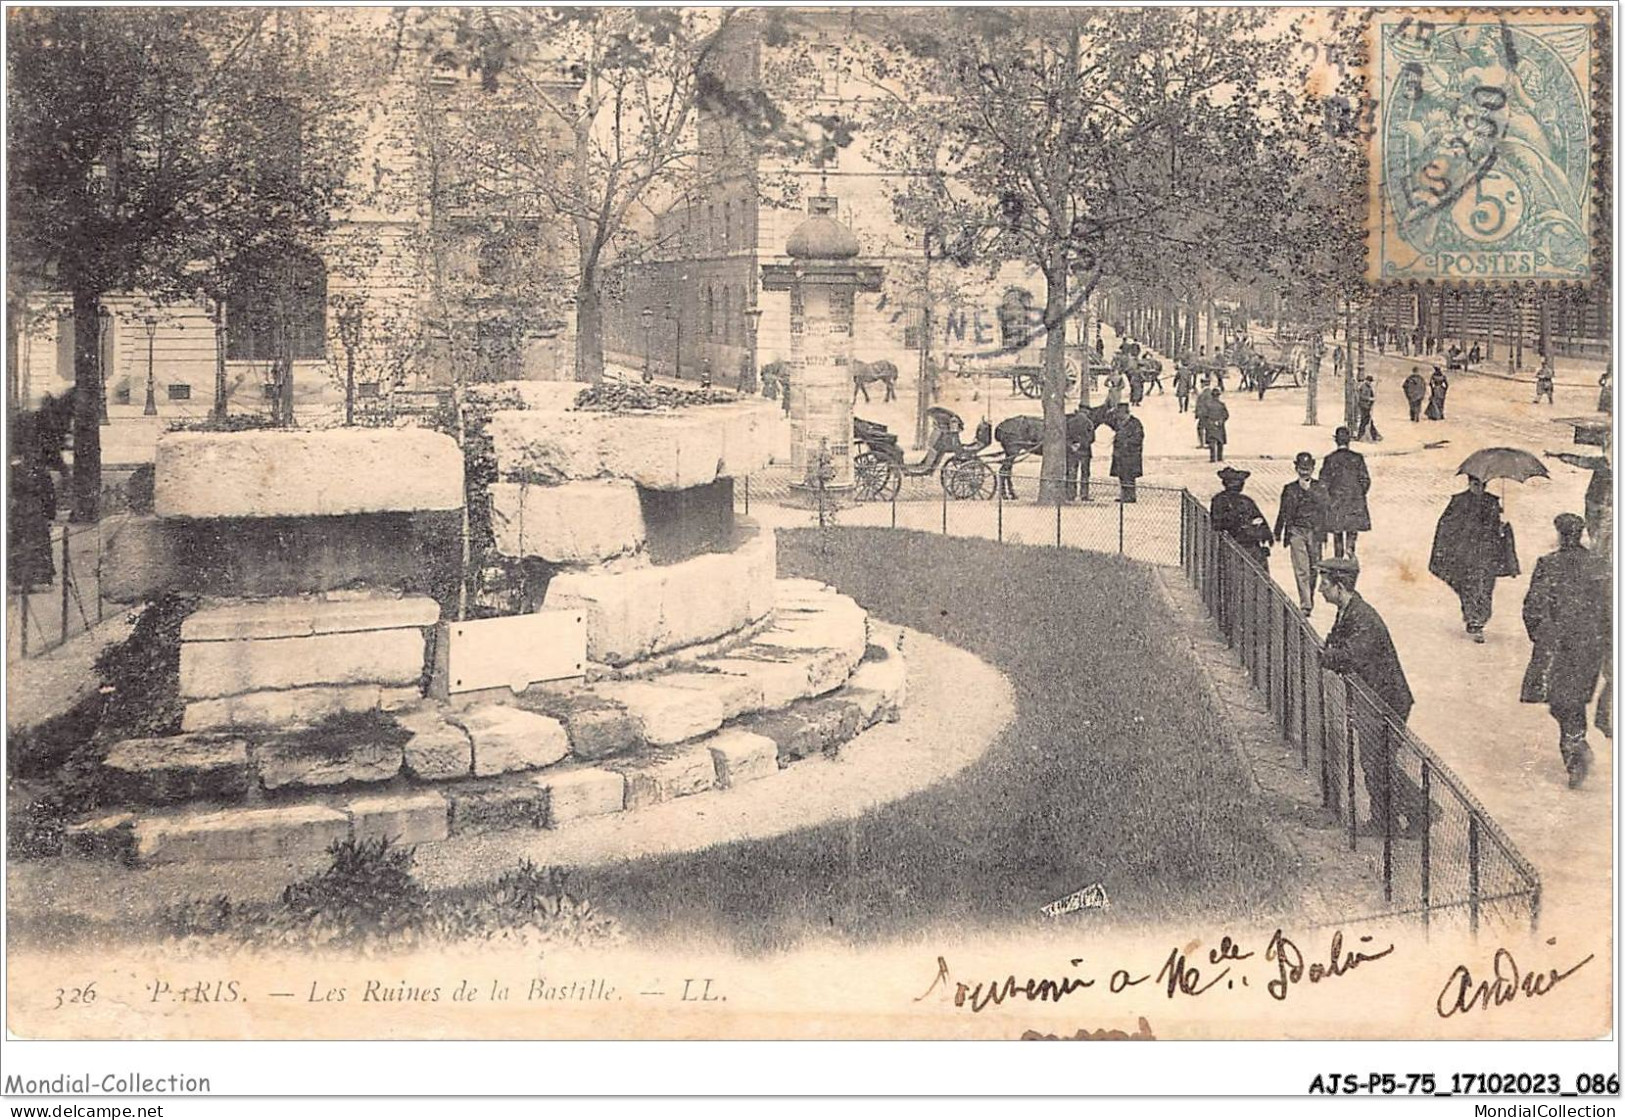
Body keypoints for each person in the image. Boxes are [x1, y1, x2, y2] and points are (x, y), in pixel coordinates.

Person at [1318, 557, 1432, 838]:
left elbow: (1349, 655)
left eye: (1324, 584)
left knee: (1377, 762)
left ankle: (1420, 811)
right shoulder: (1348, 612)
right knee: (1375, 762)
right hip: (1373, 701)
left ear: (1340, 586)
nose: (1320, 589)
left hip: (1386, 703)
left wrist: (1327, 656)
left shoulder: (1363, 618)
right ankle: (1389, 820)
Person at [1521, 514, 1610, 788]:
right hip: (1589, 648)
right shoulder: (1599, 566)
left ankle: (1575, 752)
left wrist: (1541, 637)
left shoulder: (1548, 564)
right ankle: (1576, 746)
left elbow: (1532, 607)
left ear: (1560, 534)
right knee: (1573, 701)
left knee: (1562, 703)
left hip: (1558, 649)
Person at [1429, 475, 1515, 643]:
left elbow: (1496, 528)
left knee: (1485, 588)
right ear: (1469, 483)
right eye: (1475, 484)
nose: (1479, 488)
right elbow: (1446, 524)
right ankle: (1473, 620)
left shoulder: (1492, 502)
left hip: (1487, 554)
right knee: (1468, 587)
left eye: (1482, 485)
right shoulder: (1459, 501)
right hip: (1465, 554)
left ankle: (1479, 620)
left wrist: (1502, 527)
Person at [1274, 452, 1332, 615]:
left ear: (1313, 468)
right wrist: (1277, 531)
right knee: (1301, 568)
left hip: (1315, 532)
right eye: (1301, 469)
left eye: (1307, 469)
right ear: (1296, 468)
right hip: (1296, 531)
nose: (1304, 472)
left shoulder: (1320, 487)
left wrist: (1309, 492)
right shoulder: (1289, 488)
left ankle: (1309, 596)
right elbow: (1283, 511)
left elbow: (1326, 506)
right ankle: (1306, 604)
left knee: (1314, 568)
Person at [1320, 426, 1371, 558]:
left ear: (1336, 441)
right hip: (1354, 501)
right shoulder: (1357, 458)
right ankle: (1350, 552)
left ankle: (1339, 557)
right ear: (1349, 441)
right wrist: (1358, 494)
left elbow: (1323, 482)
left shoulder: (1330, 459)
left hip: (1336, 502)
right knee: (1352, 530)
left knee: (1337, 532)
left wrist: (1329, 498)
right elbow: (1365, 480)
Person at [1211, 466, 1271, 568]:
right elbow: (1217, 523)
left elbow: (1261, 522)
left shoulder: (1246, 501)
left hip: (1249, 543)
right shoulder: (1220, 500)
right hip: (1232, 543)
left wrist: (1263, 536)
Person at [1107, 403, 1143, 503]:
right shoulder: (1119, 422)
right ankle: (1124, 495)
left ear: (1125, 413)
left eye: (1119, 413)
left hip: (1131, 455)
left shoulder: (1135, 423)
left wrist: (1126, 443)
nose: (1118, 415)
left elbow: (1138, 438)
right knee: (1122, 475)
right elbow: (1107, 420)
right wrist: (1111, 411)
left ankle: (1130, 496)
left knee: (1129, 476)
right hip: (1120, 455)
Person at [1064, 406, 1096, 502]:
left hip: (1072, 452)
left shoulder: (1070, 422)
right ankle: (1084, 494)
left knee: (1071, 473)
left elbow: (1066, 436)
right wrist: (1082, 444)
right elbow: (1092, 438)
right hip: (1085, 452)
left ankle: (1070, 494)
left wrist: (1072, 445)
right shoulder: (1089, 423)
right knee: (1085, 474)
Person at [1196, 385, 1228, 462]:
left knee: (1212, 441)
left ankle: (1213, 458)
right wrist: (1221, 421)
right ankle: (1220, 457)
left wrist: (1209, 421)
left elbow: (1204, 414)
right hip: (1220, 425)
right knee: (1220, 442)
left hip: (1211, 424)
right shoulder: (1221, 404)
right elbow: (1226, 415)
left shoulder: (1207, 405)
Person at [1354, 374, 1382, 442]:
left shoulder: (1368, 387)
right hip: (1364, 406)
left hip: (1367, 406)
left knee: (1367, 421)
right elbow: (1362, 397)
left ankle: (1373, 435)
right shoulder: (1364, 387)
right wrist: (1370, 399)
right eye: (1369, 381)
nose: (1370, 383)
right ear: (1366, 381)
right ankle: (1368, 435)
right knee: (1365, 422)